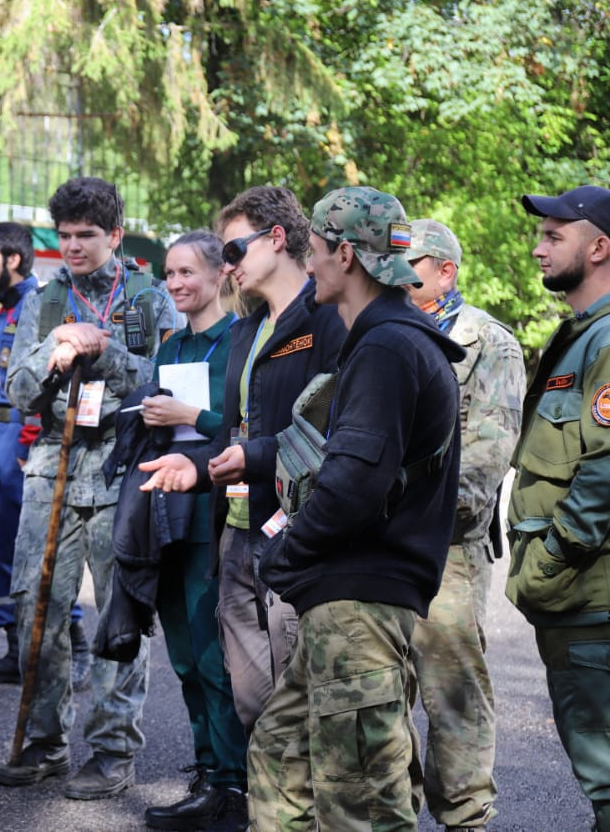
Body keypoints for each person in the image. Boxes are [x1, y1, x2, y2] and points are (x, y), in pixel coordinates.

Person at [236, 186, 462, 830]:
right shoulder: (387, 339)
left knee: (360, 800)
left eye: (314, 248)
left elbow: (353, 485)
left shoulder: (388, 347)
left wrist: (286, 550)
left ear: (346, 257)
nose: (306, 263)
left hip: (359, 600)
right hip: (345, 596)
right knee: (282, 754)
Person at [142, 186, 345, 737]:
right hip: (236, 530)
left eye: (232, 251)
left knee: (303, 707)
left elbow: (328, 434)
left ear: (276, 240)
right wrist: (197, 465)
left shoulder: (328, 320)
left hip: (295, 536)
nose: (226, 265)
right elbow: (237, 428)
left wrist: (250, 457)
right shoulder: (248, 329)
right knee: (254, 704)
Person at [0, 177, 173, 801]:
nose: (72, 247)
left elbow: (174, 385)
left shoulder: (153, 299)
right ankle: (45, 742)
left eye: (86, 236)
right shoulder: (43, 302)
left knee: (118, 617)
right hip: (53, 469)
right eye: (64, 236)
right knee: (34, 608)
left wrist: (110, 352)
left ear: (115, 236)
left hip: (123, 468)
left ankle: (112, 750)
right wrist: (56, 348)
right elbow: (14, 392)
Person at [403, 218, 524, 829]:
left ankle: (465, 817)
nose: (396, 274)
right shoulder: (386, 330)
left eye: (411, 264)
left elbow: (488, 452)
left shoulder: (487, 341)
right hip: (380, 543)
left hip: (446, 546)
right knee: (383, 688)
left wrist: (416, 508)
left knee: (452, 690)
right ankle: (391, 809)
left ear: (444, 271)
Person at [138, 231, 249, 832]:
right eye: (169, 274)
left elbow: (246, 427)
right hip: (169, 517)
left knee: (215, 659)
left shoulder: (240, 341)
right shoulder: (171, 345)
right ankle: (207, 774)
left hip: (216, 517)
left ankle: (234, 787)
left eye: (186, 272)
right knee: (182, 658)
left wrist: (190, 417)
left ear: (218, 276)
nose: (176, 284)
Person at [509, 184, 610, 832]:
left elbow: (604, 472)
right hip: (579, 600)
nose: (538, 247)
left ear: (599, 246)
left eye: (554, 235)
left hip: (588, 599)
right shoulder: (580, 334)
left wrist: (546, 565)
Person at [0, 222, 92, 688]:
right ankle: (15, 648)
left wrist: (26, 446)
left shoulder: (44, 309)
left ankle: (75, 644)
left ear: (13, 260)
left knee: (40, 553)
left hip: (22, 448)